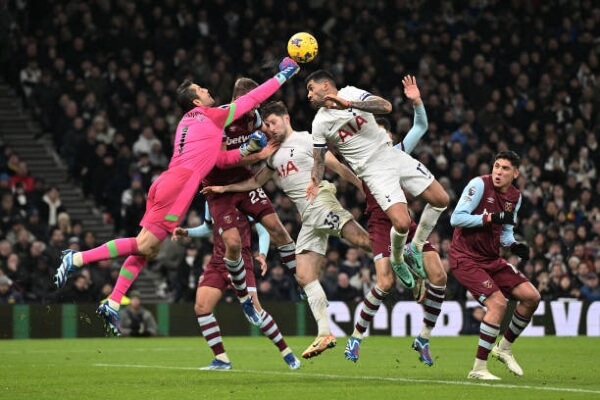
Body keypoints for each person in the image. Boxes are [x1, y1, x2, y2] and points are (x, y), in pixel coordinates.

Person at [53, 57, 301, 336]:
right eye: (202, 90)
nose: (207, 90)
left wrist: (247, 152)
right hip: (180, 184)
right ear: (196, 102)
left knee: (148, 249)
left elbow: (217, 157)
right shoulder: (211, 115)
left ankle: (112, 301)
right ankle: (76, 259)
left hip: (167, 181)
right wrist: (285, 76)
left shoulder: (188, 121)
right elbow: (251, 99)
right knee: (143, 243)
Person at [202, 100, 372, 359]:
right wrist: (224, 190)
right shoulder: (272, 155)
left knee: (363, 241)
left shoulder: (307, 140)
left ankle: (404, 255)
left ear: (286, 118)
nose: (269, 128)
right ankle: (325, 332)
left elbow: (336, 166)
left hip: (321, 203)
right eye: (266, 124)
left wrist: (364, 188)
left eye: (272, 123)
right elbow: (254, 181)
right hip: (308, 219)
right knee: (304, 275)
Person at [304, 70, 449, 292]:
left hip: (391, 154)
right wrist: (315, 180)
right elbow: (319, 156)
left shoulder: (351, 92)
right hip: (373, 170)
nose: (309, 95)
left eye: (311, 89)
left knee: (441, 199)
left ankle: (415, 247)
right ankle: (398, 260)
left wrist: (348, 104)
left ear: (325, 86)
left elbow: (385, 107)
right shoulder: (320, 122)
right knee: (401, 222)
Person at [344, 76, 447, 366]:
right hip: (379, 224)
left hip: (406, 225)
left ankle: (423, 337)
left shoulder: (399, 153)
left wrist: (417, 103)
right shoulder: (360, 156)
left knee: (439, 277)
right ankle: (356, 337)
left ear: (387, 137)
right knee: (385, 282)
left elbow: (421, 127)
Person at [201, 77, 299, 326]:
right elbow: (222, 160)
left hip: (244, 182)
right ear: (239, 100)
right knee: (232, 243)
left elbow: (270, 138)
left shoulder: (254, 117)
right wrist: (256, 153)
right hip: (217, 187)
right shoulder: (221, 118)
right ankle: (244, 297)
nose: (256, 109)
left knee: (277, 229)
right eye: (254, 102)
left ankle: (303, 282)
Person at [172, 204, 301, 370]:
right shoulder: (209, 200)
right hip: (217, 262)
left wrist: (262, 253)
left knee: (256, 311)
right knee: (202, 307)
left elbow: (263, 232)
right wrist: (187, 232)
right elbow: (208, 228)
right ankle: (221, 359)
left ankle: (286, 352)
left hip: (242, 262)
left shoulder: (243, 197)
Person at [449, 150, 540, 380]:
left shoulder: (514, 197)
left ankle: (504, 347)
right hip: (465, 257)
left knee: (531, 297)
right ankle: (478, 369)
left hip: (491, 258)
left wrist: (514, 245)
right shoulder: (478, 185)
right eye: (497, 166)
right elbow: (456, 218)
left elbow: (505, 231)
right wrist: (489, 217)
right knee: (498, 304)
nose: (498, 172)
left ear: (516, 173)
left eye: (505, 168)